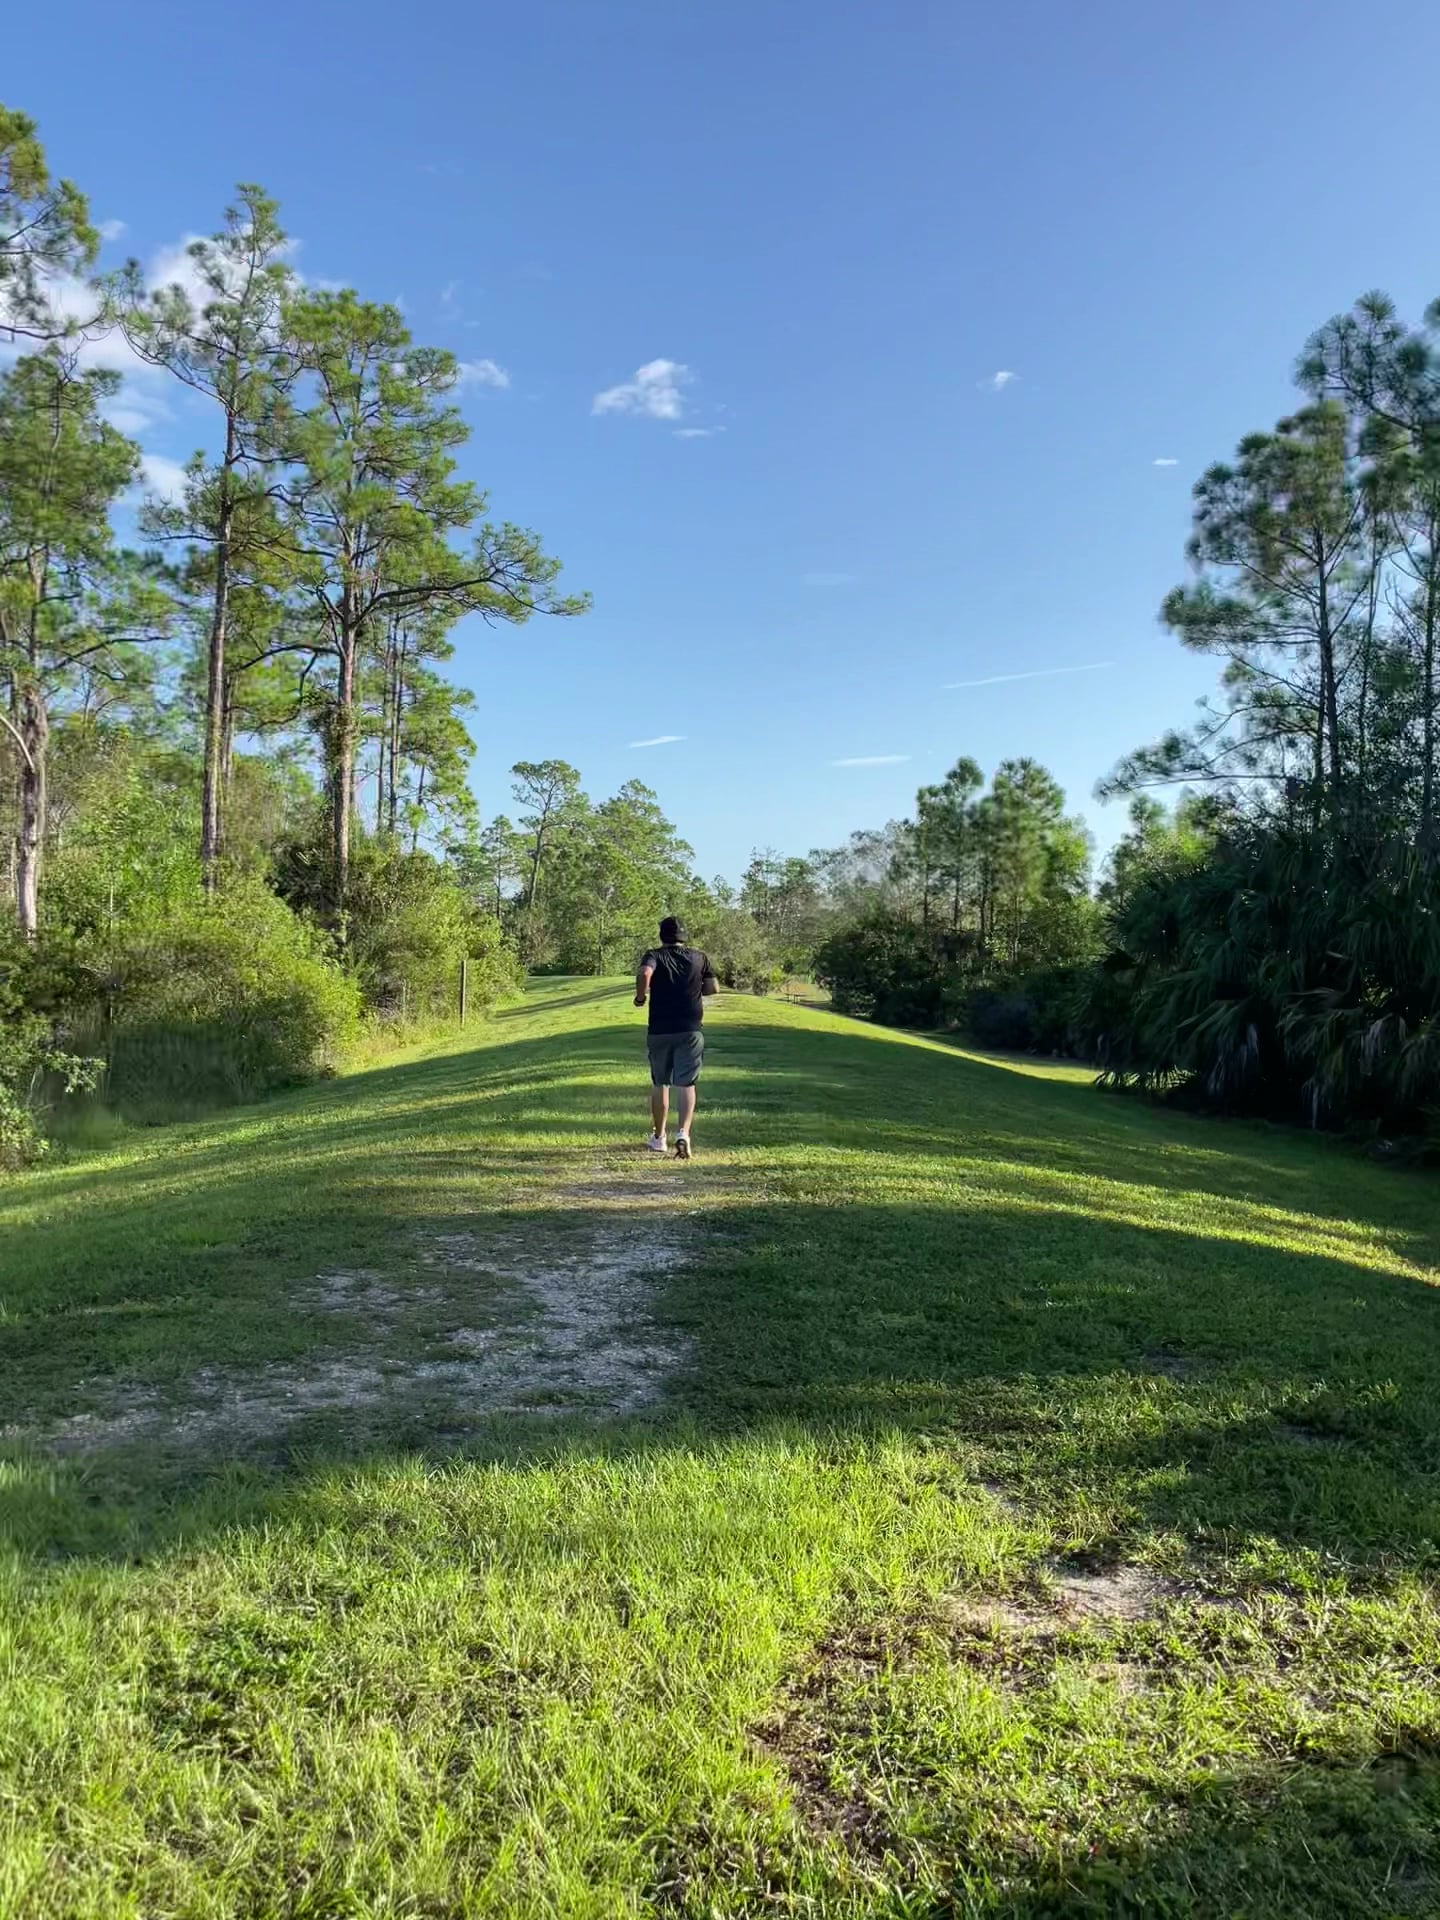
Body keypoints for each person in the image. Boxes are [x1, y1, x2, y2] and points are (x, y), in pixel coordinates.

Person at [634, 915, 718, 1159]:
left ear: (662, 935)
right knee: (687, 1083)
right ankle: (683, 1134)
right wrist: (693, 989)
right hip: (690, 1028)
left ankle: (659, 1138)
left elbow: (644, 973)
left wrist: (640, 998)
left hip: (660, 1029)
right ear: (683, 936)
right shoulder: (699, 957)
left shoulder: (654, 955)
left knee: (660, 1082)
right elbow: (713, 988)